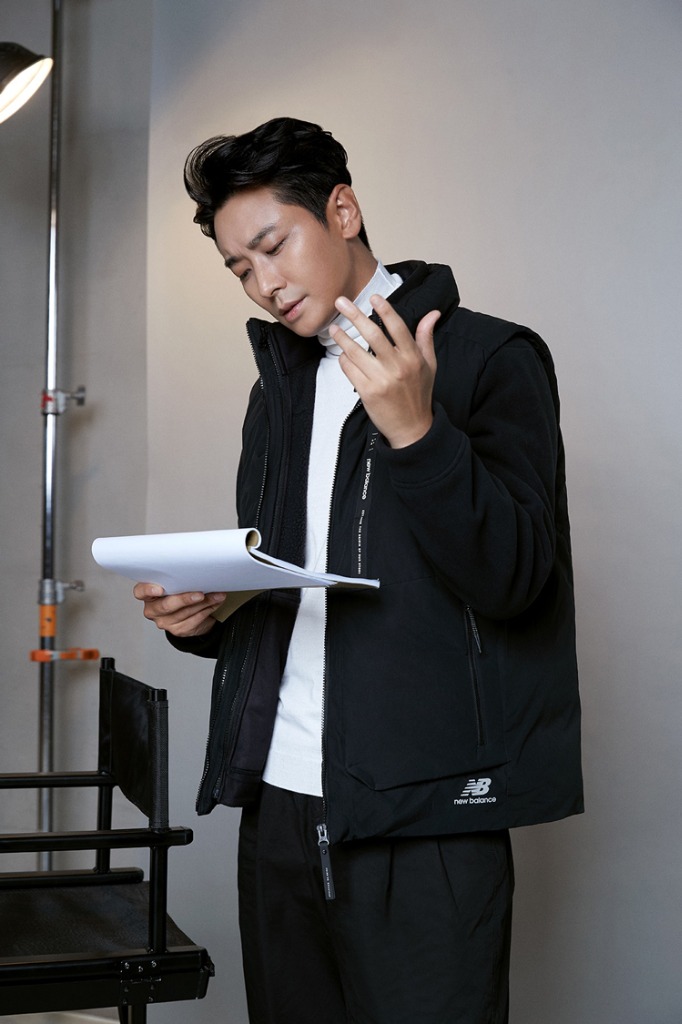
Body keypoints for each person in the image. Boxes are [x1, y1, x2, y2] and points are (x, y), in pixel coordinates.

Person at [134, 117, 583, 1024]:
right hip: (280, 805)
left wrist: (418, 432)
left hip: (426, 818)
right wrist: (208, 615)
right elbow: (289, 577)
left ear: (342, 211)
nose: (264, 285)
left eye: (273, 247)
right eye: (239, 268)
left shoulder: (488, 359)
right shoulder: (280, 387)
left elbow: (517, 579)